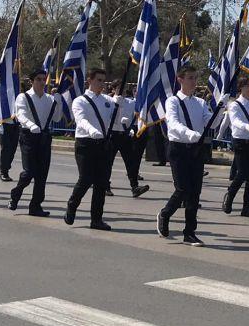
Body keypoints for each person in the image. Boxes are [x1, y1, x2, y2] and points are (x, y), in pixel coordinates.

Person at [156, 66, 211, 246]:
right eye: (190, 78)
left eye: (195, 78)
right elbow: (173, 123)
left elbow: (210, 122)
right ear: (180, 79)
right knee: (182, 188)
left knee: (195, 191)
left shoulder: (200, 103)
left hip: (196, 150)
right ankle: (165, 214)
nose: (194, 82)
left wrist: (220, 109)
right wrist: (191, 134)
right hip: (179, 148)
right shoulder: (172, 101)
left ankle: (189, 232)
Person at [64, 69, 116, 230]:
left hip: (103, 144)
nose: (102, 84)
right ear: (90, 80)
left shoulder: (108, 100)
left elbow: (113, 119)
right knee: (86, 178)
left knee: (101, 183)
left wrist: (124, 121)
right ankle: (72, 206)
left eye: (104, 81)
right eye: (99, 80)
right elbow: (81, 120)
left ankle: (96, 219)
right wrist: (91, 130)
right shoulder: (80, 101)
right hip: (85, 143)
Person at [8, 70, 62, 216]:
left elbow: (57, 118)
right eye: (38, 79)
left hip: (44, 137)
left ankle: (36, 206)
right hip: (29, 137)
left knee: (42, 174)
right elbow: (21, 115)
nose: (42, 82)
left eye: (44, 79)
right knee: (29, 171)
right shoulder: (23, 97)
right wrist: (31, 125)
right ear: (32, 81)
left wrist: (59, 102)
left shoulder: (49, 99)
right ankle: (16, 193)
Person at [223, 77, 249, 218]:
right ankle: (230, 195)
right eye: (247, 86)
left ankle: (247, 207)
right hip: (240, 142)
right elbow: (236, 122)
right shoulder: (234, 105)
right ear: (240, 87)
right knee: (242, 173)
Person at [109, 83, 149, 198]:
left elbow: (139, 108)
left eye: (125, 88)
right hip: (112, 135)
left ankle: (134, 187)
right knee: (108, 162)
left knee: (130, 162)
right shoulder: (110, 102)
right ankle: (105, 186)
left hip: (125, 135)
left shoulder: (130, 103)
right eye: (120, 88)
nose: (123, 91)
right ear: (114, 89)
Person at [0, 115, 20, 182]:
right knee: (6, 148)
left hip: (15, 125)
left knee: (12, 149)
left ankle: (6, 167)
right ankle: (4, 172)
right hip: (2, 124)